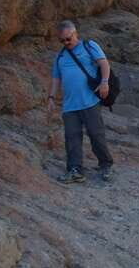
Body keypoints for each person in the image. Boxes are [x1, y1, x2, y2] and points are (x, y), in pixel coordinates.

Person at [48, 20, 114, 183]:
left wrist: (104, 82)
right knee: (71, 138)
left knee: (96, 134)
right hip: (69, 106)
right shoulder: (60, 56)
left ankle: (105, 164)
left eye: (68, 39)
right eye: (62, 40)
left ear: (75, 33)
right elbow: (56, 79)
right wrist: (51, 97)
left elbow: (104, 63)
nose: (66, 43)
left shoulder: (88, 46)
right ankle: (75, 170)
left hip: (89, 101)